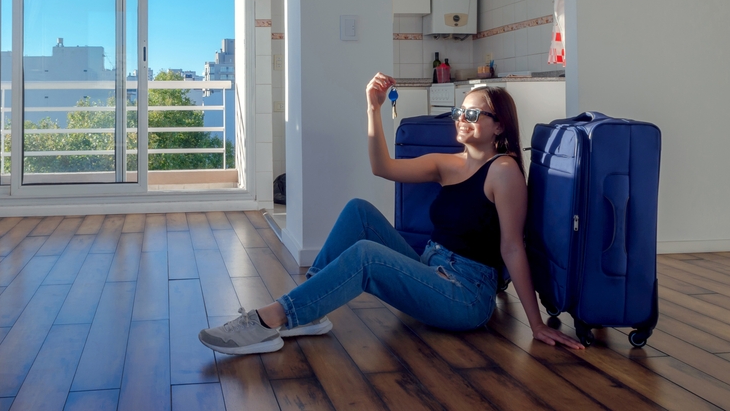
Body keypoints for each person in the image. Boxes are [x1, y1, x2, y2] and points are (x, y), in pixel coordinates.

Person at [198, 72, 583, 354]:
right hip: (431, 265)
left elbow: (514, 247)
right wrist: (372, 109)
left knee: (366, 256)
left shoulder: (504, 171)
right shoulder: (450, 163)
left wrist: (534, 323)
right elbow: (381, 166)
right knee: (359, 212)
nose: (460, 120)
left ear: (499, 125)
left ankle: (272, 319)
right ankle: (309, 309)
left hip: (465, 294)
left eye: (473, 115)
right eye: (459, 112)